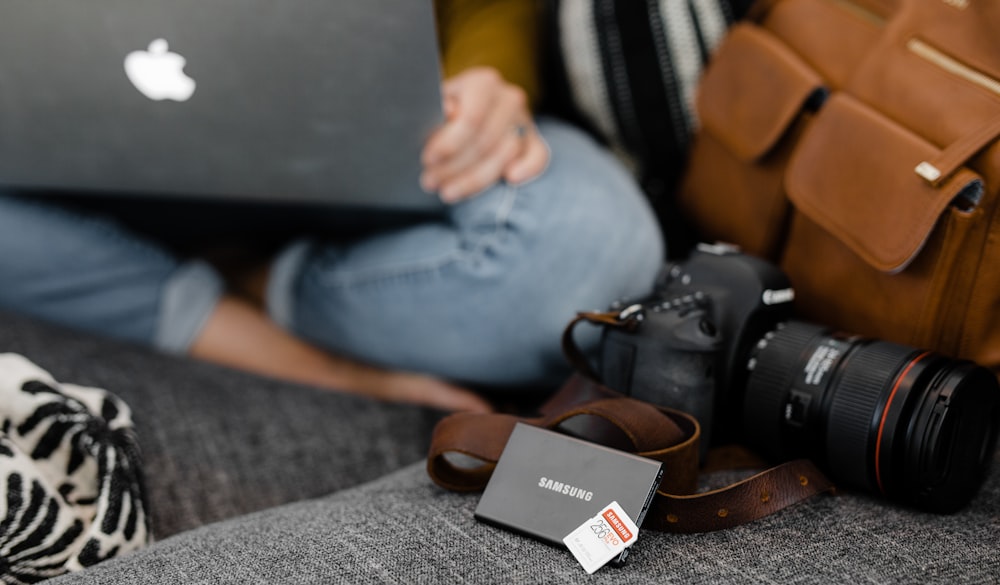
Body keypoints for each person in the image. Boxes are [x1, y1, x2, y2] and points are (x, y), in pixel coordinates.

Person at [0, 0, 664, 413]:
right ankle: (228, 300)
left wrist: (490, 79)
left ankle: (254, 277)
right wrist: (338, 375)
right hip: (87, 183)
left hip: (397, 140)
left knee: (584, 251)